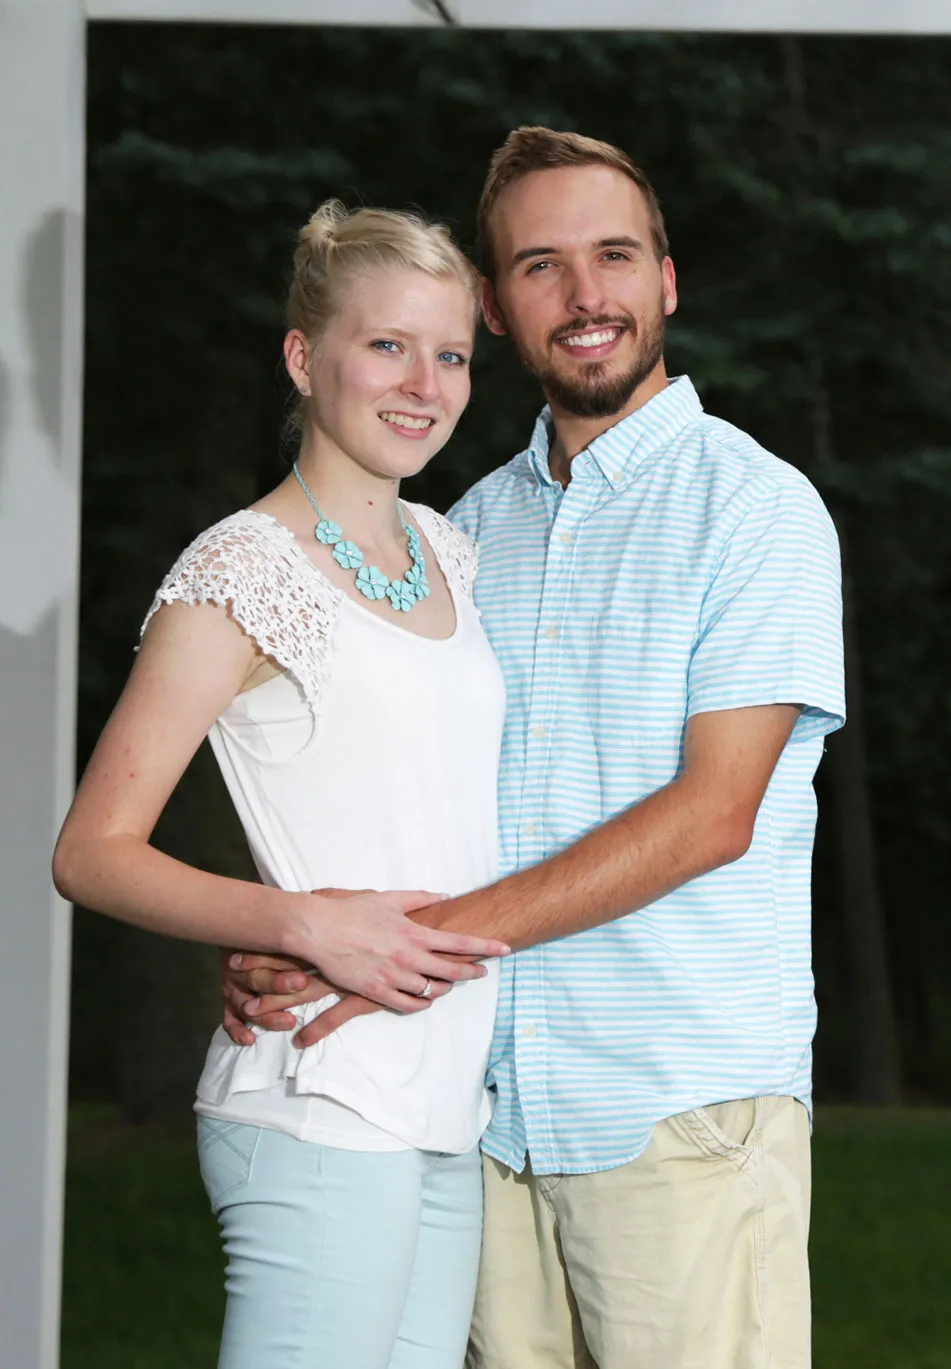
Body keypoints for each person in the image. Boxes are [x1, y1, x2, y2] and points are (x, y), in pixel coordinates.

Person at [222, 127, 846, 1369]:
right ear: (498, 310)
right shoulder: (456, 537)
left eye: (614, 256)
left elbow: (714, 811)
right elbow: (398, 790)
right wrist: (300, 934)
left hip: (678, 1112)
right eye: (540, 266)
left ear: (667, 279)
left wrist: (412, 945)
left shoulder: (756, 507)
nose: (584, 295)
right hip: (484, 1115)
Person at [52, 202, 514, 1369]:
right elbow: (93, 848)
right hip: (316, 1097)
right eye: (387, 345)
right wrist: (300, 923)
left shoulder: (449, 551)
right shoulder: (241, 568)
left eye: (450, 353)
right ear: (306, 358)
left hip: (445, 1101)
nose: (424, 384)